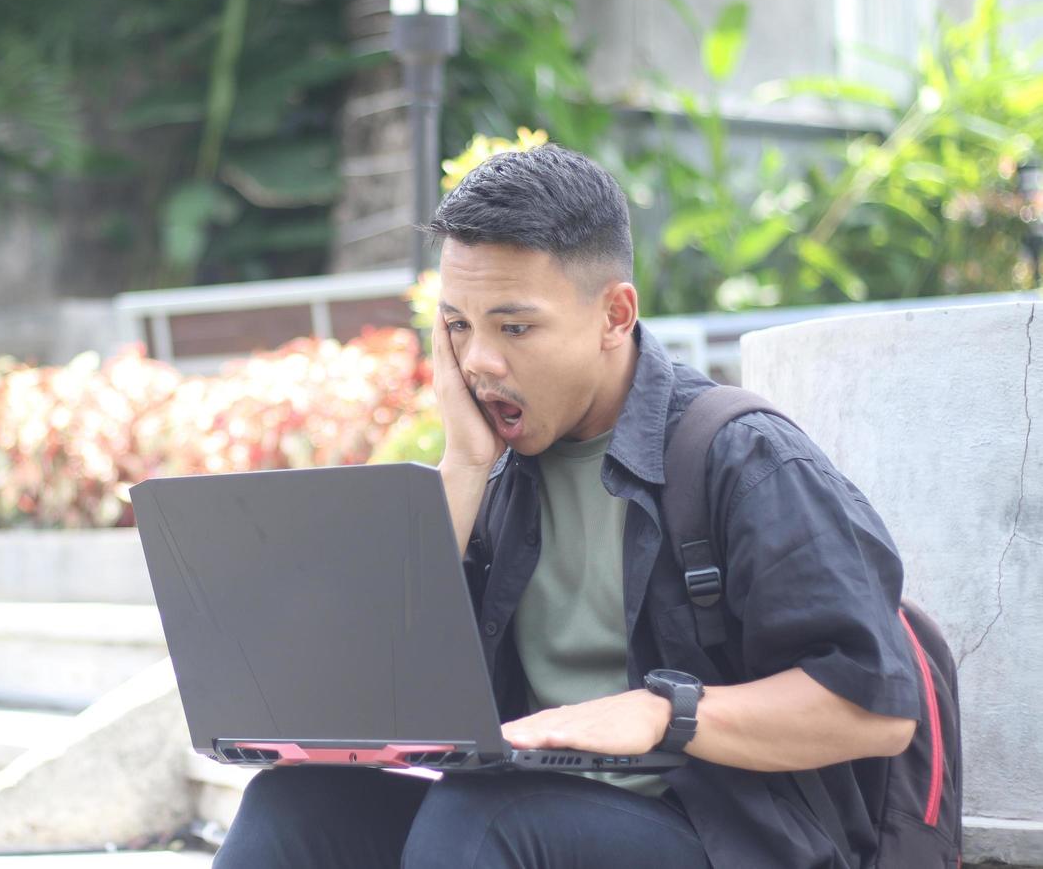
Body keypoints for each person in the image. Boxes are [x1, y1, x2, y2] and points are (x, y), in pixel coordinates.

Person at [213, 144, 921, 868]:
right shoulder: (495, 469)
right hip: (533, 810)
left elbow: (875, 708)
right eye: (458, 325)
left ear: (615, 315)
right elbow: (367, 691)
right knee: (293, 807)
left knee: (485, 817)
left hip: (727, 834)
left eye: (513, 327)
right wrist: (460, 466)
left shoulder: (742, 457)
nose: (479, 360)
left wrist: (659, 714)